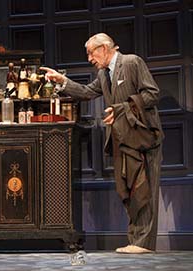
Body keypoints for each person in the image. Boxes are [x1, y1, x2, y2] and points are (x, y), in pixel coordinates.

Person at [41, 33, 163, 254]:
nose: (89, 58)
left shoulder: (132, 62)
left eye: (91, 52)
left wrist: (123, 109)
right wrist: (63, 82)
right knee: (129, 189)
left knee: (145, 188)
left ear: (105, 48)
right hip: (122, 138)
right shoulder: (104, 74)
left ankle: (144, 243)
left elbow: (152, 94)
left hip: (143, 137)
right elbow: (87, 92)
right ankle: (136, 240)